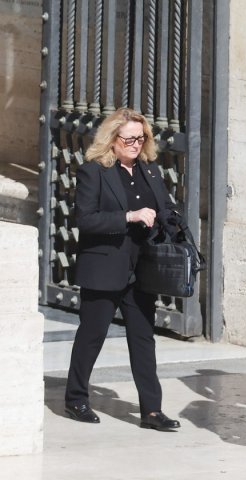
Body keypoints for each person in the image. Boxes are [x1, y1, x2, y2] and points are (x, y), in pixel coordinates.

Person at [64, 107, 181, 431]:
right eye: (129, 139)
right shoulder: (94, 171)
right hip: (104, 266)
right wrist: (129, 216)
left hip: (141, 267)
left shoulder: (149, 170)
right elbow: (86, 219)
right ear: (112, 138)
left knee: (143, 338)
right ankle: (76, 399)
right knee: (92, 335)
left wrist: (170, 219)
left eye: (140, 138)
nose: (135, 144)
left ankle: (152, 411)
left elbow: (166, 207)